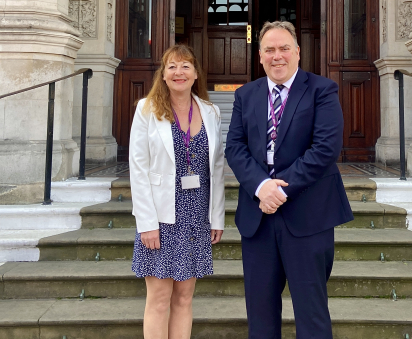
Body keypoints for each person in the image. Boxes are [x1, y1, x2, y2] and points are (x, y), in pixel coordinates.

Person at [225, 21, 353, 339]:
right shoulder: (245, 95)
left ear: (298, 52)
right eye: (270, 49)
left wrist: (279, 189)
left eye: (284, 48)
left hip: (307, 215)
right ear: (259, 56)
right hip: (258, 218)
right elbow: (235, 147)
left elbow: (325, 149)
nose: (277, 56)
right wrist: (260, 187)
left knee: (311, 315)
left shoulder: (322, 90)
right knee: (261, 315)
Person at [129, 44, 225, 339]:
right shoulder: (147, 109)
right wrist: (146, 223)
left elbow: (217, 168)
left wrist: (217, 217)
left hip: (197, 217)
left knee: (184, 298)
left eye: (185, 66)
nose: (178, 72)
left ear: (196, 73)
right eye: (172, 66)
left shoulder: (211, 111)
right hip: (160, 218)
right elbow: (138, 168)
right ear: (164, 73)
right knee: (158, 300)